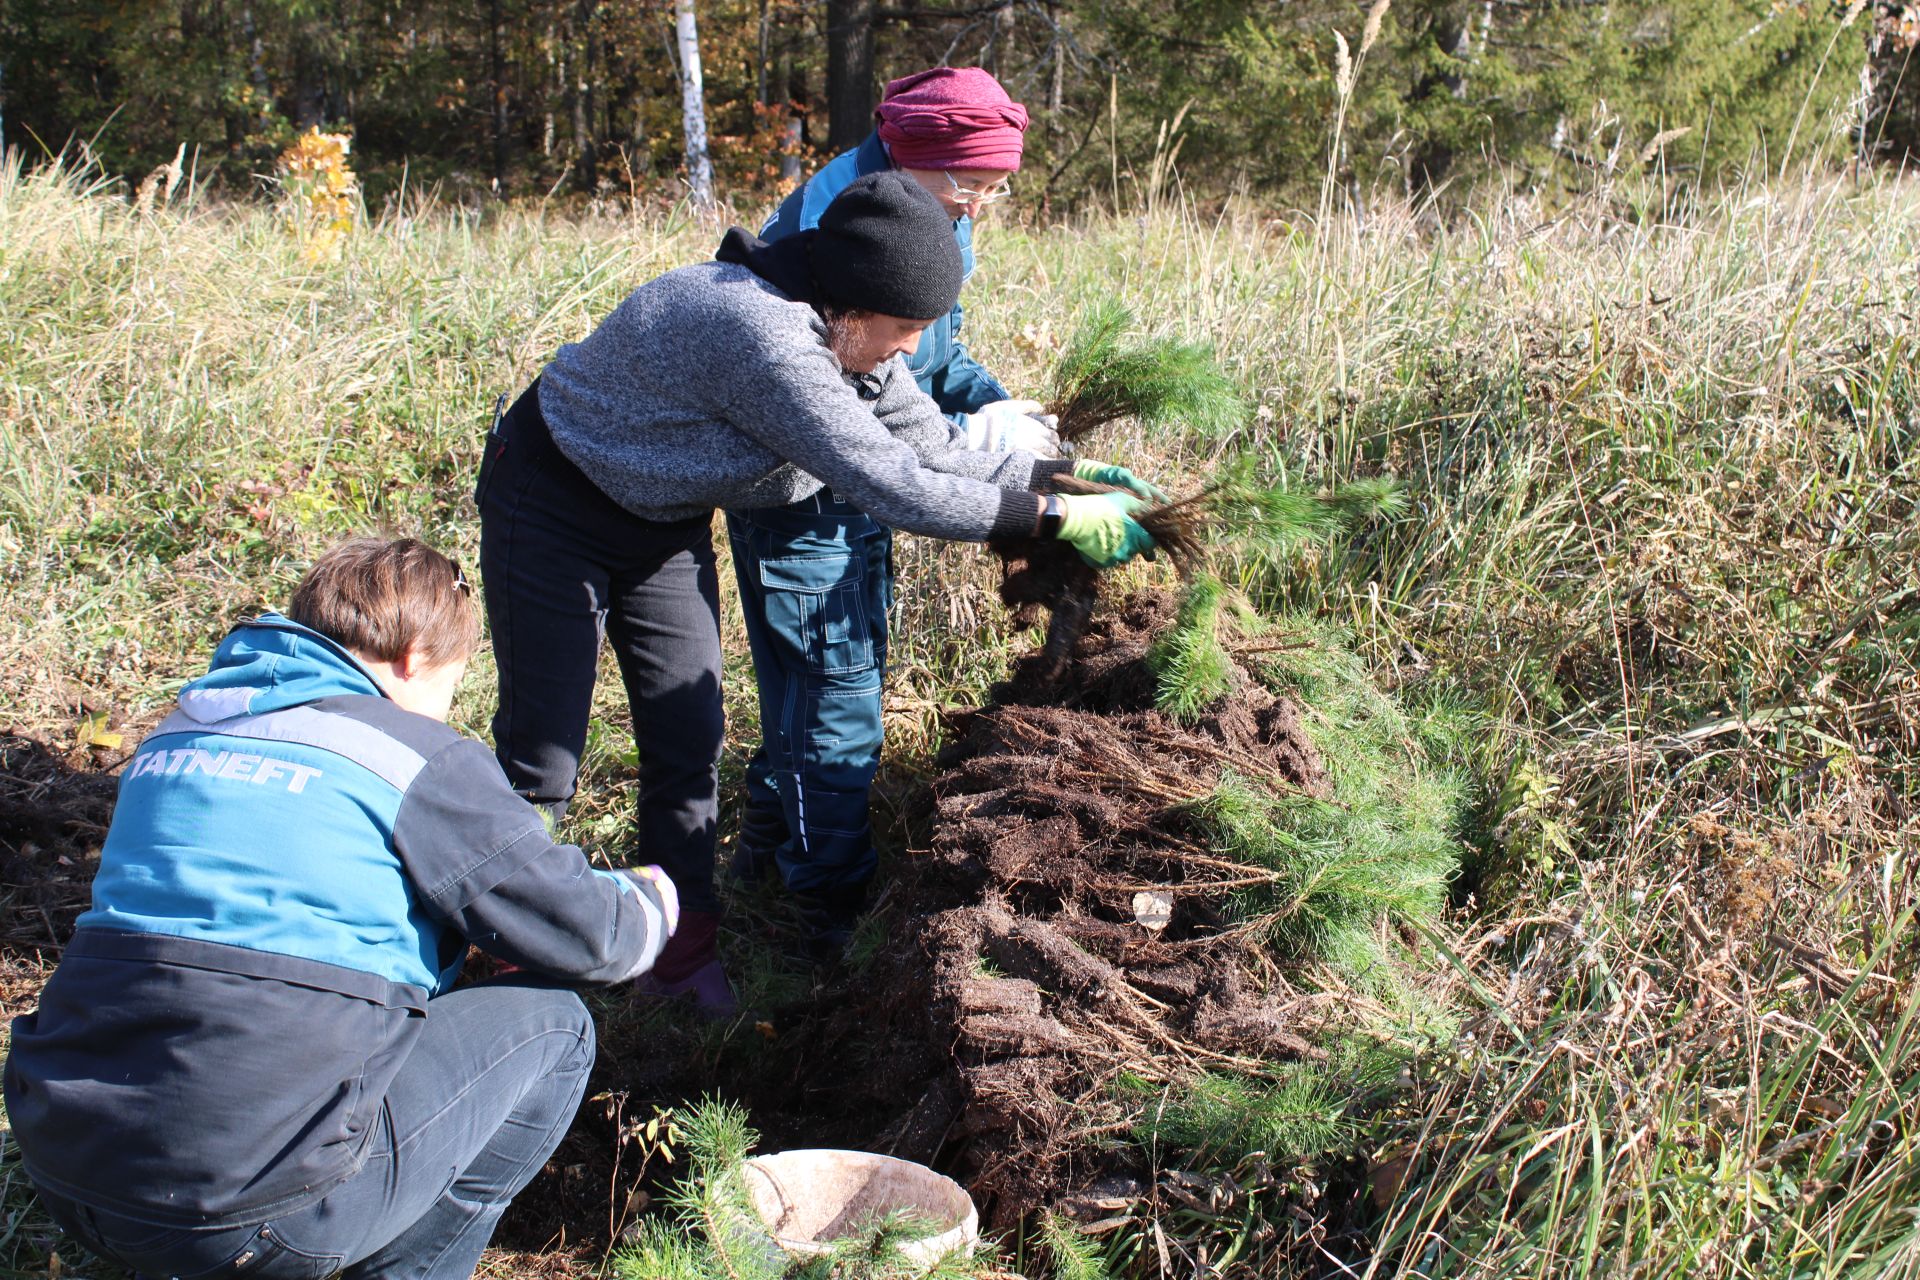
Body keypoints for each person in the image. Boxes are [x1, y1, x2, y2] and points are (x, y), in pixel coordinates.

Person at [478, 170, 1160, 1015]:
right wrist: (1051, 517)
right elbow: (890, 486)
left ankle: (679, 956)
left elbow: (929, 447)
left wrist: (1055, 474)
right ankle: (506, 955)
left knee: (686, 734)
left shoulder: (850, 330)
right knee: (543, 754)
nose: (911, 349)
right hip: (553, 501)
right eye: (905, 331)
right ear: (853, 308)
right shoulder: (763, 336)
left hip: (660, 519)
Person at [4, 538, 679, 1280]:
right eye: (454, 685)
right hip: (252, 1215)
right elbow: (596, 936)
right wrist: (657, 892)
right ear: (416, 657)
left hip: (68, 1171)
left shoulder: (180, 734)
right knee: (556, 1028)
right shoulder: (410, 753)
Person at [728, 67, 1157, 952]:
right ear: (917, 158)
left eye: (995, 191)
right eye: (974, 187)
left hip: (868, 466)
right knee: (833, 691)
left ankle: (762, 863)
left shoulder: (930, 208)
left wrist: (1017, 429)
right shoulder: (836, 233)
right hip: (807, 491)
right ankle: (825, 923)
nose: (981, 208)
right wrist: (1039, 510)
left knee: (819, 686)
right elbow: (876, 456)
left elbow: (921, 366)